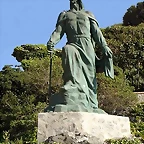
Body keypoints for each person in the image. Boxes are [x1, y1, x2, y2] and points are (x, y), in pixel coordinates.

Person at [46, 0, 114, 113]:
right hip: (72, 43)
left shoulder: (88, 14)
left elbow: (97, 33)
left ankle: (92, 104)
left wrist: (105, 46)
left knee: (89, 75)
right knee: (67, 50)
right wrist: (51, 42)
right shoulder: (65, 15)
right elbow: (58, 32)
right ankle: (71, 85)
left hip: (87, 46)